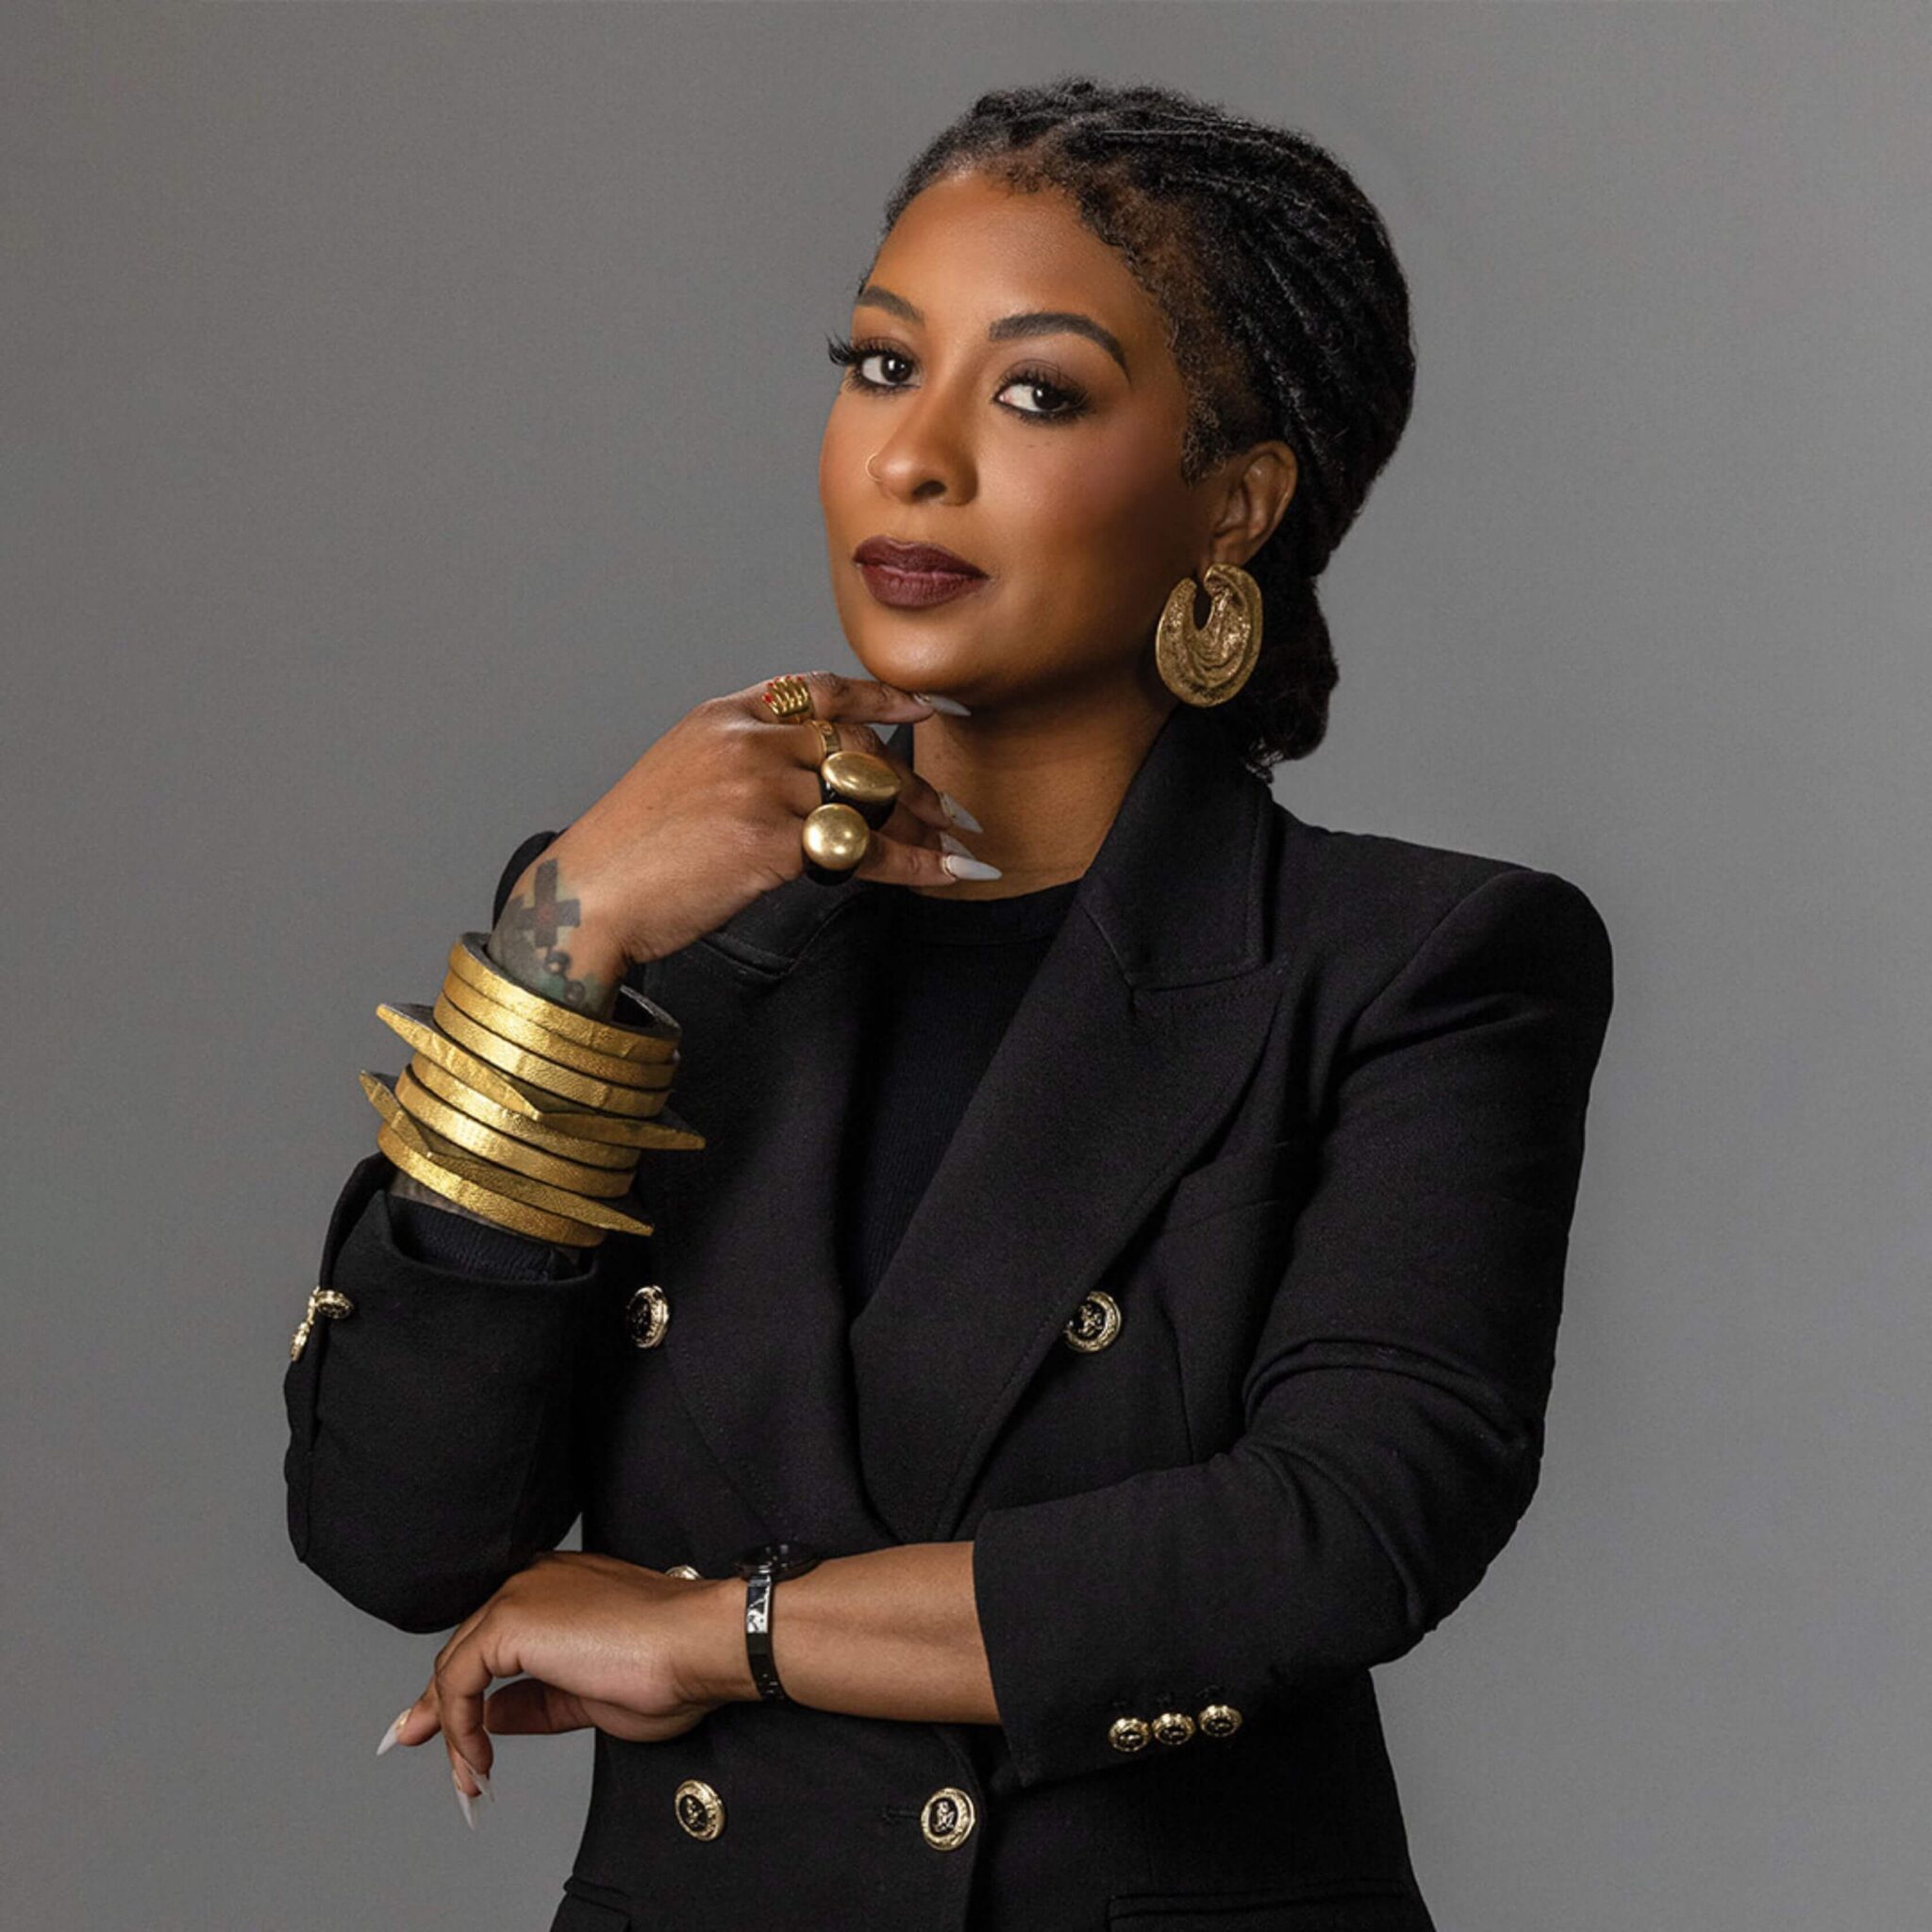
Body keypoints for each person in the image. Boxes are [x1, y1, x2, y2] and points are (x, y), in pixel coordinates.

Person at [281, 76, 1615, 1932]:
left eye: (1038, 391)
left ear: (1230, 502)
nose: (914, 458)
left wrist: (718, 1634)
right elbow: (399, 1538)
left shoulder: (1414, 962)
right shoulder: (659, 935)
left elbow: (1331, 1535)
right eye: (881, 366)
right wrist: (556, 950)